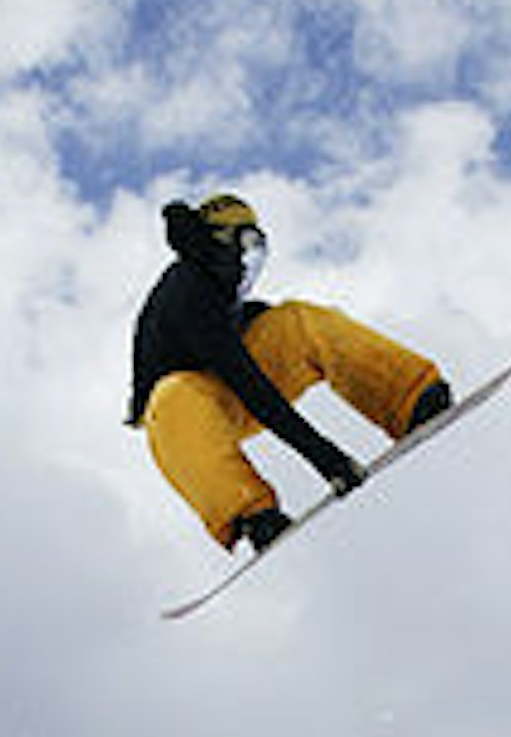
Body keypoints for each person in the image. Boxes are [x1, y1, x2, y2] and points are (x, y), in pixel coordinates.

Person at [128, 191, 452, 553]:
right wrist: (325, 457)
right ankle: (250, 512)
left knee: (297, 320)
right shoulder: (185, 290)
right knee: (173, 395)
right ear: (220, 241)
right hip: (185, 416)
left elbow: (255, 363)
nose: (250, 261)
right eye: (246, 244)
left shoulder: (226, 299)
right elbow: (247, 383)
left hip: (231, 391)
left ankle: (410, 398)